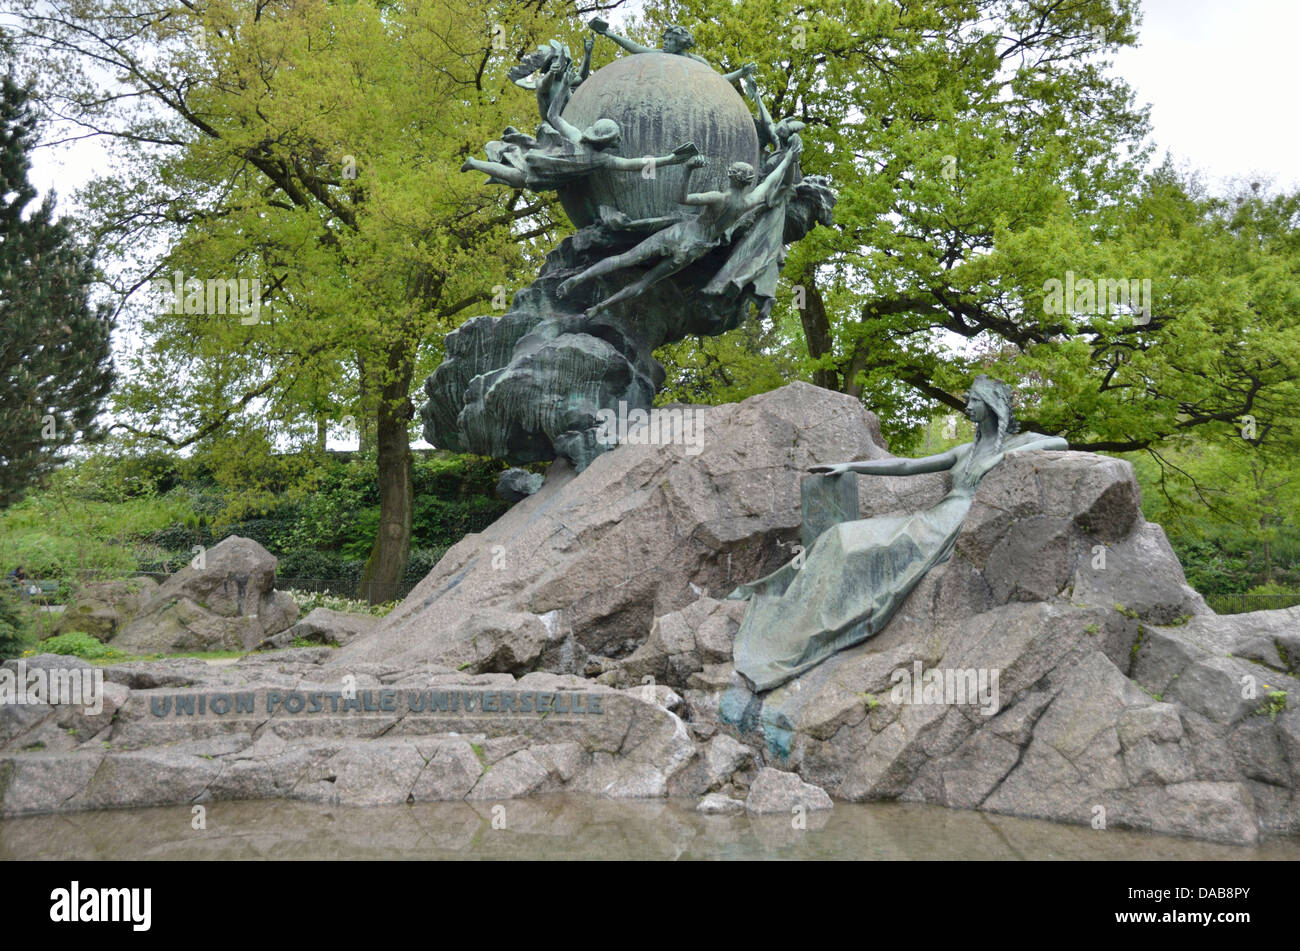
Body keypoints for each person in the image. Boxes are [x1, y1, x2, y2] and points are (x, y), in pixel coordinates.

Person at [728, 376, 1069, 692]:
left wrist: (1005, 456)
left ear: (991, 406)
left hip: (957, 523)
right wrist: (851, 467)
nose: (966, 406)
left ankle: (823, 626)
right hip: (935, 515)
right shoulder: (964, 452)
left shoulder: (1022, 442)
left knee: (879, 549)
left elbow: (1061, 441)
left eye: (973, 400)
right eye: (966, 399)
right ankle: (782, 599)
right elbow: (906, 465)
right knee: (840, 537)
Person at [556, 141, 801, 314]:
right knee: (644, 283)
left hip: (682, 234)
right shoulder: (748, 202)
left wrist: (688, 170)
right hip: (695, 250)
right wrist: (789, 158)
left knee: (625, 258)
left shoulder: (717, 197)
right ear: (747, 182)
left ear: (730, 176)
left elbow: (681, 198)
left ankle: (577, 280)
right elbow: (770, 182)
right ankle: (599, 308)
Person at [461, 55, 699, 193]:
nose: (619, 141)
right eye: (616, 138)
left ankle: (480, 166)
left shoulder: (576, 135)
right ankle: (475, 163)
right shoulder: (601, 159)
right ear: (604, 141)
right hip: (546, 171)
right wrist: (670, 159)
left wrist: (565, 85)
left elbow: (554, 116)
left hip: (544, 160)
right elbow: (634, 164)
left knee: (517, 174)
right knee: (520, 179)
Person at [587, 20, 757, 87]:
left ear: (680, 42)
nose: (665, 43)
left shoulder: (698, 62)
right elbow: (636, 48)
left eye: (670, 40)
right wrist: (609, 34)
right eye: (665, 39)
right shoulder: (661, 55)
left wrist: (741, 73)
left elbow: (718, 80)